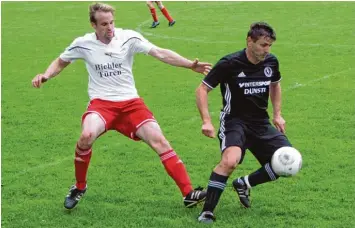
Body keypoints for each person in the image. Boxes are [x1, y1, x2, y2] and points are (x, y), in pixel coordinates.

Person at [31, 2, 211, 210]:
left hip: (131, 104)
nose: (110, 28)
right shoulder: (83, 44)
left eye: (112, 22)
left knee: (160, 141)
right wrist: (45, 75)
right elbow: (61, 61)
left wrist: (189, 64)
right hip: (102, 104)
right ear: (94, 25)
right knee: (86, 135)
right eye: (104, 24)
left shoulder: (128, 37)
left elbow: (160, 53)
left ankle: (188, 193)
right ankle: (79, 187)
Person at [195, 22, 299, 223]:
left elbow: (275, 86)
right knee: (230, 161)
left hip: (260, 122)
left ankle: (244, 183)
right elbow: (202, 89)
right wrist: (206, 121)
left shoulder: (271, 62)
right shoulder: (229, 63)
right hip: (235, 121)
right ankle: (207, 211)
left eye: (269, 46)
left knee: (286, 160)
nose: (266, 50)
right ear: (249, 41)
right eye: (263, 45)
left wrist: (277, 114)